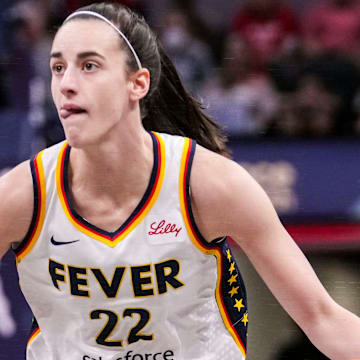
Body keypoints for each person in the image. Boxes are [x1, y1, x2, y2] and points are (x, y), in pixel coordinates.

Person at [0, 3, 360, 359]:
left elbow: (323, 319)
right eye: (58, 68)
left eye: (89, 66)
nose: (67, 85)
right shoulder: (22, 195)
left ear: (137, 83)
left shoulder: (208, 184)